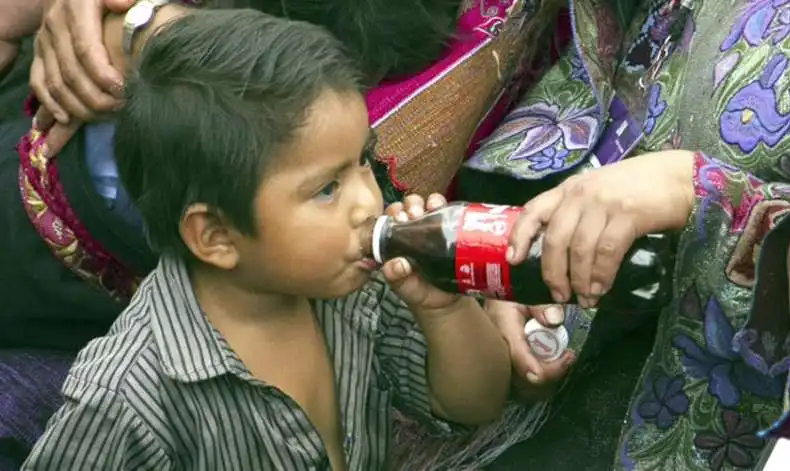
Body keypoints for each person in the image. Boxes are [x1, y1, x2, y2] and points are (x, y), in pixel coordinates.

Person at [21, 9, 515, 469]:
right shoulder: (126, 399)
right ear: (215, 236)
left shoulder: (358, 289)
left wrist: (443, 310)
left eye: (363, 160)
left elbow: (475, 403)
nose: (368, 201)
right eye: (326, 189)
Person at [449, 0, 790, 469]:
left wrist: (701, 192)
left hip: (719, 425)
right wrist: (524, 249)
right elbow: (616, 84)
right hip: (563, 376)